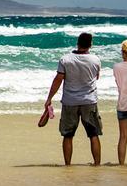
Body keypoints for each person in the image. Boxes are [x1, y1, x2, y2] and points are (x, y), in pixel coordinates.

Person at [43, 32, 102, 165]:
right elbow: (97, 77)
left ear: (78, 43)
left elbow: (58, 80)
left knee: (68, 135)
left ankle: (68, 165)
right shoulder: (95, 60)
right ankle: (97, 164)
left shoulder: (65, 59)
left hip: (70, 101)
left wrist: (49, 98)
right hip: (89, 101)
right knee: (93, 134)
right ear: (90, 44)